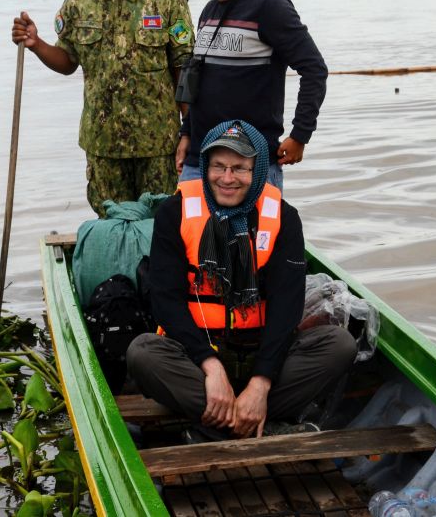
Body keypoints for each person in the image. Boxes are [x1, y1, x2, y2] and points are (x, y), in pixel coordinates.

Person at [127, 120, 356, 438]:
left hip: (265, 357)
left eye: (239, 168)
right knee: (143, 353)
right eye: (218, 166)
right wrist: (210, 365)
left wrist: (261, 383)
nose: (227, 178)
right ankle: (256, 423)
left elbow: (286, 306)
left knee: (339, 345)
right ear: (205, 167)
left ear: (258, 169)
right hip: (196, 360)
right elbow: (165, 300)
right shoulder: (174, 212)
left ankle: (223, 423)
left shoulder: (283, 218)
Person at [11, 0, 194, 217]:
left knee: (163, 223)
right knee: (111, 223)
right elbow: (67, 60)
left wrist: (190, 130)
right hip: (102, 141)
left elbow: (184, 70)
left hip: (159, 142)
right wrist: (35, 43)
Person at [173, 0, 328, 190]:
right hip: (199, 161)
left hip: (250, 164)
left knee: (253, 234)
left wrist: (300, 135)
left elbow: (314, 69)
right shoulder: (209, 11)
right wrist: (186, 132)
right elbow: (199, 81)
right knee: (191, 232)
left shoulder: (269, 6)